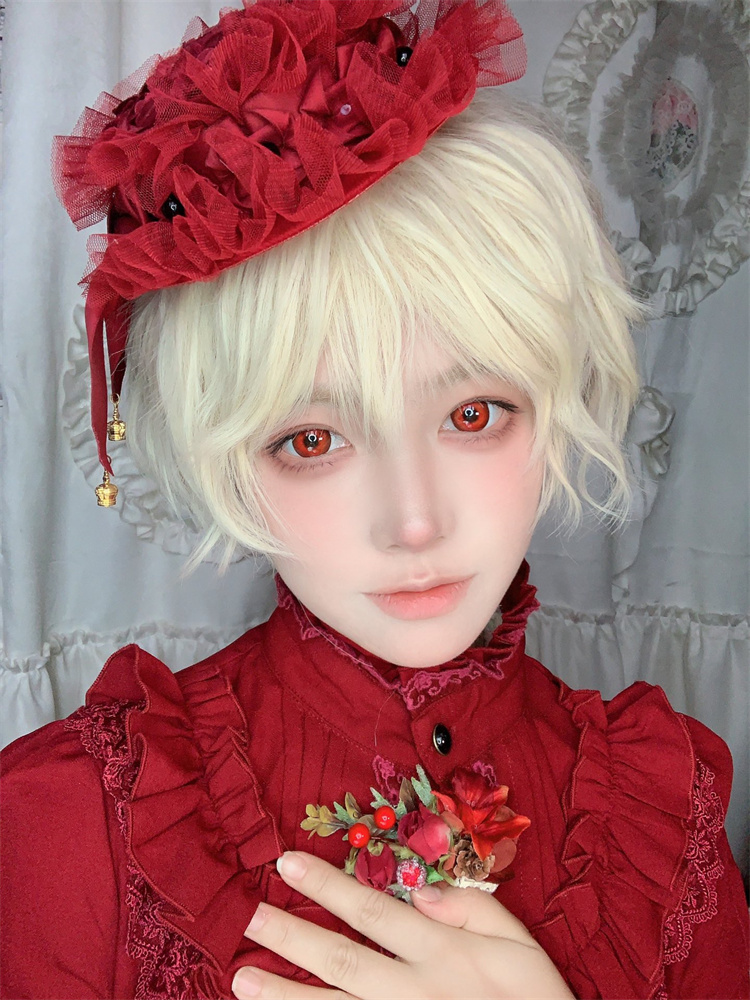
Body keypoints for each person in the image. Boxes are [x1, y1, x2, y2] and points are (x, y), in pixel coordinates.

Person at [1, 2, 748, 999]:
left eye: (475, 415)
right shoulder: (69, 821)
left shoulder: (667, 812)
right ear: (222, 452)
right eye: (314, 440)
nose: (414, 522)